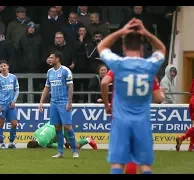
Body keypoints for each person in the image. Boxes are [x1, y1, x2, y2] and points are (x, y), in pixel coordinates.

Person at [97, 18, 166, 174]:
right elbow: (161, 50)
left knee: (117, 165)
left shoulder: (118, 65)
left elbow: (101, 46)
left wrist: (121, 31)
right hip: (142, 122)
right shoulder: (149, 66)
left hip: (121, 121)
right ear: (142, 48)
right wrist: (146, 32)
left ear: (123, 47)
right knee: (145, 165)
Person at [101, 69, 165, 174]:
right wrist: (162, 92)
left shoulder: (117, 67)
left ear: (125, 51)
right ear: (141, 52)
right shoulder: (148, 70)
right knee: (143, 163)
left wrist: (106, 105)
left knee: (118, 162)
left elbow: (104, 82)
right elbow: (158, 99)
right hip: (140, 120)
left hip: (120, 119)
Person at [38, 51, 78, 158]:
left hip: (64, 102)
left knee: (68, 126)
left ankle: (75, 151)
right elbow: (47, 87)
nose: (49, 59)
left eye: (51, 57)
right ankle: (60, 152)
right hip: (54, 103)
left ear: (57, 59)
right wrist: (41, 102)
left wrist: (69, 102)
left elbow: (70, 87)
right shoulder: (50, 72)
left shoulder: (65, 71)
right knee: (57, 127)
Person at [0, 60, 20, 149]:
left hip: (11, 105)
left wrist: (14, 101)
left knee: (14, 123)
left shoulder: (13, 77)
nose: (3, 67)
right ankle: (2, 143)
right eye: (1, 66)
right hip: (2, 105)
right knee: (1, 124)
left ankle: (11, 142)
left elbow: (17, 90)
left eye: (4, 65)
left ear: (8, 66)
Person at [27, 121, 97, 150]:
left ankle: (88, 140)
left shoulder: (43, 143)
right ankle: (65, 142)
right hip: (54, 124)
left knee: (75, 146)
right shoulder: (35, 134)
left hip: (62, 126)